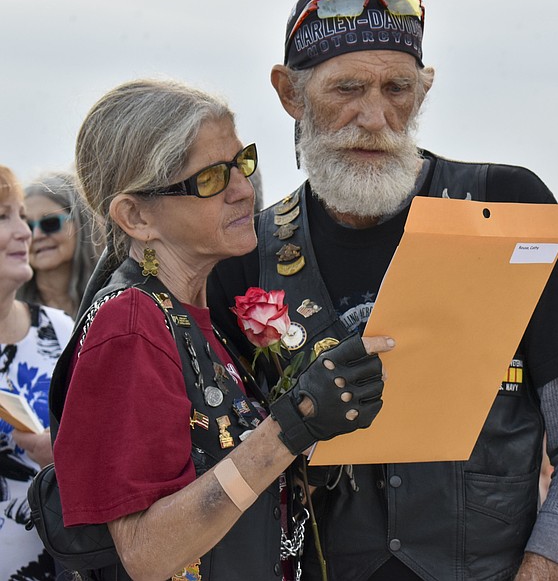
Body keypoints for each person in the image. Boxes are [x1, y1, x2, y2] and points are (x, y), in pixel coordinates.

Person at [208, 0, 558, 581]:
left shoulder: (510, 209)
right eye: (346, 88)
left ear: (424, 91)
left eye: (398, 89)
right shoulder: (249, 251)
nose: (375, 117)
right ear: (289, 94)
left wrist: (542, 572)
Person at [51, 79, 391, 581]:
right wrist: (292, 425)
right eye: (210, 178)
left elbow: (246, 499)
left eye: (242, 162)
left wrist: (328, 421)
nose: (242, 189)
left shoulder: (200, 316)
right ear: (136, 216)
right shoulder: (130, 324)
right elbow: (147, 554)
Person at [0, 165, 74, 580]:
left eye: (22, 215)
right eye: (3, 217)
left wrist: (64, 450)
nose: (25, 231)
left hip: (65, 566)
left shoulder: (61, 329)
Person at [18, 170, 100, 317]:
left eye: (50, 223)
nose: (36, 235)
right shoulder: (9, 309)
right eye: (27, 226)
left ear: (81, 224)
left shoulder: (112, 298)